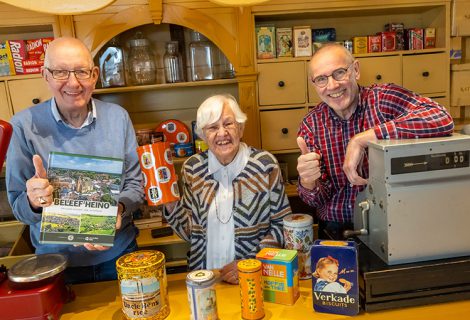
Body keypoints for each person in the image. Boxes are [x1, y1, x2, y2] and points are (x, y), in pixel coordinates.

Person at [6, 37, 144, 284]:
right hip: (56, 265)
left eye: (81, 71)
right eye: (60, 72)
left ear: (94, 75)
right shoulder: (22, 127)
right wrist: (35, 202)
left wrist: (119, 207)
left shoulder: (118, 118)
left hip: (120, 255)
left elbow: (135, 184)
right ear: (45, 75)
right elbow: (18, 207)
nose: (73, 82)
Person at [297, 43, 454, 240]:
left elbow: (440, 118)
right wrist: (308, 182)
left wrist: (363, 139)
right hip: (335, 232)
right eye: (321, 79)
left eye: (339, 73)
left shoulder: (383, 99)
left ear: (355, 70)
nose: (332, 85)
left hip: (394, 225)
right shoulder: (311, 124)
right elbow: (317, 200)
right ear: (314, 85)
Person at [164, 94, 291, 284]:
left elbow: (282, 225)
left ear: (240, 128)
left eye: (228, 124)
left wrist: (251, 264)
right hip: (203, 278)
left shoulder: (265, 165)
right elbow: (190, 233)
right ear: (203, 135)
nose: (222, 133)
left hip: (253, 277)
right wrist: (171, 204)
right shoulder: (193, 168)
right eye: (213, 127)